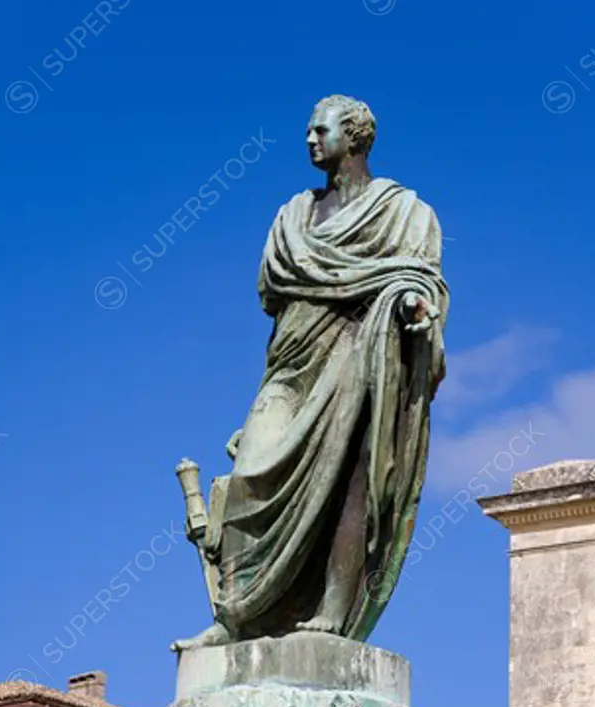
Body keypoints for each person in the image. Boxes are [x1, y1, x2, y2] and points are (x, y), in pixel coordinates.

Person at [174, 94, 448, 651]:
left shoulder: (402, 211)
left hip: (357, 352)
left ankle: (331, 608)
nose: (309, 139)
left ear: (354, 137)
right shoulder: (293, 215)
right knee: (249, 476)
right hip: (291, 365)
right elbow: (271, 292)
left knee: (349, 482)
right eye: (307, 130)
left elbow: (421, 277)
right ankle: (237, 615)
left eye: (319, 130)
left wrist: (414, 307)